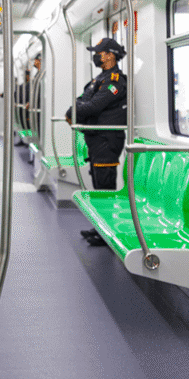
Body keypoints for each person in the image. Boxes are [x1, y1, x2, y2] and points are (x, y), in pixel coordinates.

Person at [66, 37, 128, 248]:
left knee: (105, 186)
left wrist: (72, 112)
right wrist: (75, 108)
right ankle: (100, 226)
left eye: (99, 52)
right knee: (97, 184)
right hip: (95, 138)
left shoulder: (115, 81)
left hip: (107, 139)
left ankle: (107, 231)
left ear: (110, 55)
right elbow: (82, 99)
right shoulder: (98, 80)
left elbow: (93, 106)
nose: (96, 56)